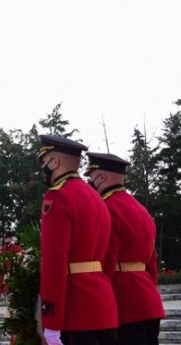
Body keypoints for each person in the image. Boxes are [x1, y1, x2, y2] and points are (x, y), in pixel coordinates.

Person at [37, 135, 117, 345]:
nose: (42, 169)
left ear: (55, 162)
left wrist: (51, 322)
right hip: (104, 305)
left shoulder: (57, 197)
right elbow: (109, 256)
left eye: (43, 162)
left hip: (76, 310)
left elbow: (54, 263)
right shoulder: (97, 198)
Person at [86, 152, 165, 344]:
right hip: (148, 300)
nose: (89, 183)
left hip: (123, 303)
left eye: (91, 178)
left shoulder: (106, 208)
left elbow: (107, 259)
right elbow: (151, 262)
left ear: (101, 177)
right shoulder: (141, 210)